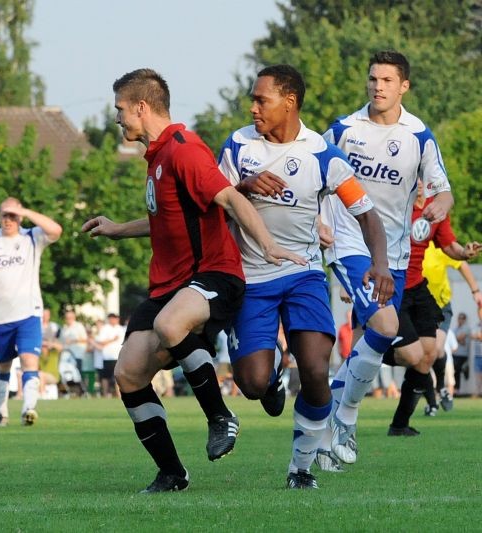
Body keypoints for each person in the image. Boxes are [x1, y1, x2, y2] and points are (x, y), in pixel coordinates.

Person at [81, 68, 304, 493]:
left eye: (120, 110)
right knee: (128, 373)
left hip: (213, 274)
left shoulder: (183, 148)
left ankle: (221, 416)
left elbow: (231, 198)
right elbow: (168, 223)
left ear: (141, 107)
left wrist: (269, 246)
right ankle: (172, 473)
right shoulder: (157, 158)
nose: (117, 119)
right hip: (170, 287)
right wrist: (116, 228)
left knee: (170, 325)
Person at [218, 64, 392, 488]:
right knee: (253, 383)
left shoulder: (322, 154)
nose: (253, 107)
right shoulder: (238, 146)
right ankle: (272, 370)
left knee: (315, 370)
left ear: (289, 101)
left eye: (262, 99)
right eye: (253, 100)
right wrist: (244, 186)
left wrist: (380, 264)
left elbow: (367, 214)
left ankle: (300, 467)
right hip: (252, 280)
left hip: (304, 276)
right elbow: (212, 203)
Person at [315, 51, 454, 469]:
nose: (378, 86)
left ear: (403, 87)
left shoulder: (420, 136)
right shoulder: (342, 130)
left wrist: (439, 207)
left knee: (374, 338)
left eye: (387, 80)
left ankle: (330, 420)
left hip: (394, 252)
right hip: (348, 243)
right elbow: (310, 176)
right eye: (373, 79)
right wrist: (318, 223)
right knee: (386, 324)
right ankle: (348, 418)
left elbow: (442, 189)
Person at [384, 187, 477, 435]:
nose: (422, 184)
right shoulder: (392, 202)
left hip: (417, 288)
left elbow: (449, 247)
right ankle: (371, 354)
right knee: (412, 355)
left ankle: (399, 425)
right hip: (392, 286)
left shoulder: (436, 210)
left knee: (429, 354)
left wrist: (465, 253)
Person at [0, 197, 62, 427]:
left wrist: (26, 211)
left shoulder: (31, 237)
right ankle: (1, 413)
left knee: (30, 360)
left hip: (29, 312)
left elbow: (56, 230)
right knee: (3, 365)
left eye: (13, 215)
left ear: (19, 217)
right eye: (4, 215)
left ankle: (29, 409)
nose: (8, 220)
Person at [422, 242, 482, 412]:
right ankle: (432, 399)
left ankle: (441, 388)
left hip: (441, 307)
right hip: (418, 308)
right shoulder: (406, 243)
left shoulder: (438, 245)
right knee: (420, 358)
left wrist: (475, 291)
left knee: (436, 350)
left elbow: (461, 263)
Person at [92, 313, 125, 398]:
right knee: (105, 376)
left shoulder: (121, 329)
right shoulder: (105, 329)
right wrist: (112, 340)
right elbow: (101, 342)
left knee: (118, 377)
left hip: (119, 356)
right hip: (107, 356)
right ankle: (105, 393)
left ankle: (119, 394)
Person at [452, 312, 473, 392]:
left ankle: (457, 389)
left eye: (462, 318)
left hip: (463, 354)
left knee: (456, 368)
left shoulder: (466, 328)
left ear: (465, 320)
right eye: (459, 318)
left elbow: (459, 337)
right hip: (455, 353)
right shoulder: (455, 329)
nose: (460, 320)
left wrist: (456, 339)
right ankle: (455, 388)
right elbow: (456, 339)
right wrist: (459, 340)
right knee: (454, 370)